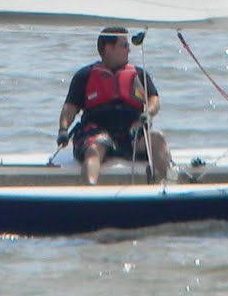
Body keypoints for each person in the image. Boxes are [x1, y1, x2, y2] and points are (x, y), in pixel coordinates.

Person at [57, 26, 171, 184]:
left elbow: (154, 100)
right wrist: (63, 129)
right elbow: (70, 108)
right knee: (94, 149)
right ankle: (89, 192)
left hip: (131, 133)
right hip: (97, 131)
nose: (129, 51)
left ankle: (166, 186)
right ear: (108, 48)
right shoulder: (85, 75)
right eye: (124, 46)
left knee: (157, 139)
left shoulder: (138, 74)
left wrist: (149, 113)